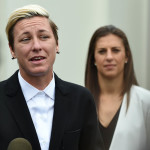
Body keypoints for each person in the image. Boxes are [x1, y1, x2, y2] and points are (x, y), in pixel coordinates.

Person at [0, 4, 104, 150]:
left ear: (57, 44)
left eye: (44, 37)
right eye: (25, 39)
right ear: (12, 50)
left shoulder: (80, 99)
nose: (36, 46)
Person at [85, 25, 150, 150]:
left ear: (126, 56)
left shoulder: (146, 102)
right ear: (93, 58)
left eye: (115, 50)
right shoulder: (79, 102)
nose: (109, 57)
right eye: (102, 51)